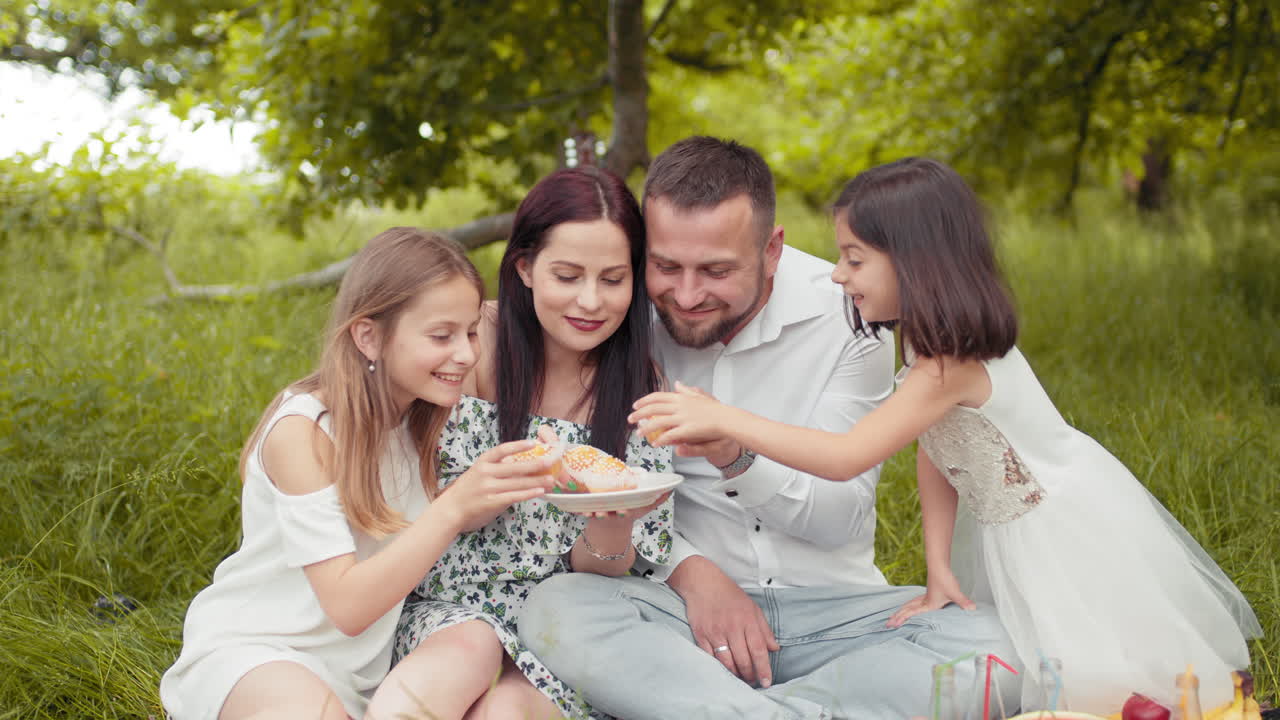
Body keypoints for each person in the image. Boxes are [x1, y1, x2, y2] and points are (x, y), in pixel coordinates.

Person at [628, 157, 1263, 714]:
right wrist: (936, 568)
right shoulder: (925, 350)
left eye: (855, 259)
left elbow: (846, 457)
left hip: (1058, 525)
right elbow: (939, 456)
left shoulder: (949, 365)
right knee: (1040, 661)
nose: (838, 276)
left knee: (1095, 667)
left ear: (912, 262)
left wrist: (725, 419)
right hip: (1013, 525)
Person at [520, 138, 1020, 720]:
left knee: (1001, 644)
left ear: (772, 250)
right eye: (664, 266)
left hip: (836, 612)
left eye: (716, 270)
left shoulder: (849, 314)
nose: (684, 295)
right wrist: (691, 572)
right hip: (677, 615)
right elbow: (613, 484)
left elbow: (837, 519)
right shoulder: (618, 311)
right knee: (557, 606)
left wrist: (737, 455)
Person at [159, 228, 561, 720]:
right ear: (369, 336)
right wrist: (455, 509)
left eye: (471, 332)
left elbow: (420, 516)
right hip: (262, 653)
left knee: (472, 647)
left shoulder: (424, 412)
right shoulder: (304, 432)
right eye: (442, 336)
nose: (467, 354)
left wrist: (501, 482)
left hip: (365, 671)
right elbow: (347, 607)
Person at [391, 167, 674, 720]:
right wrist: (482, 491)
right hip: (452, 605)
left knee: (508, 712)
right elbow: (402, 490)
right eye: (567, 276)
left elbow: (605, 567)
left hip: (567, 619)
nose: (590, 301)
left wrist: (612, 524)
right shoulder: (470, 345)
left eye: (613, 280)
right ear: (524, 267)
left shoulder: (641, 385)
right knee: (460, 658)